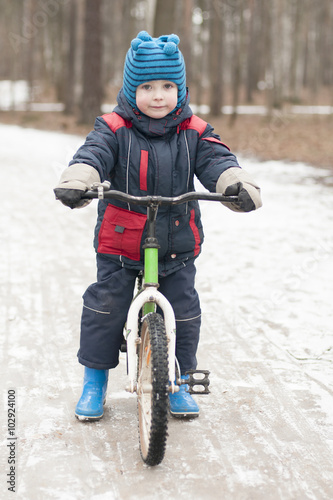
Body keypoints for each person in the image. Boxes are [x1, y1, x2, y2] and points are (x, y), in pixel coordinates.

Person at [54, 31, 262, 421]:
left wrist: (235, 183)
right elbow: (93, 154)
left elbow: (217, 159)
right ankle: (94, 380)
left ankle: (178, 380)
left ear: (180, 89)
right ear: (132, 89)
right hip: (120, 242)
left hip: (176, 243)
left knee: (182, 311)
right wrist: (79, 179)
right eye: (147, 86)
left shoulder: (195, 131)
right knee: (106, 306)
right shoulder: (113, 127)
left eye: (168, 86)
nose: (158, 95)